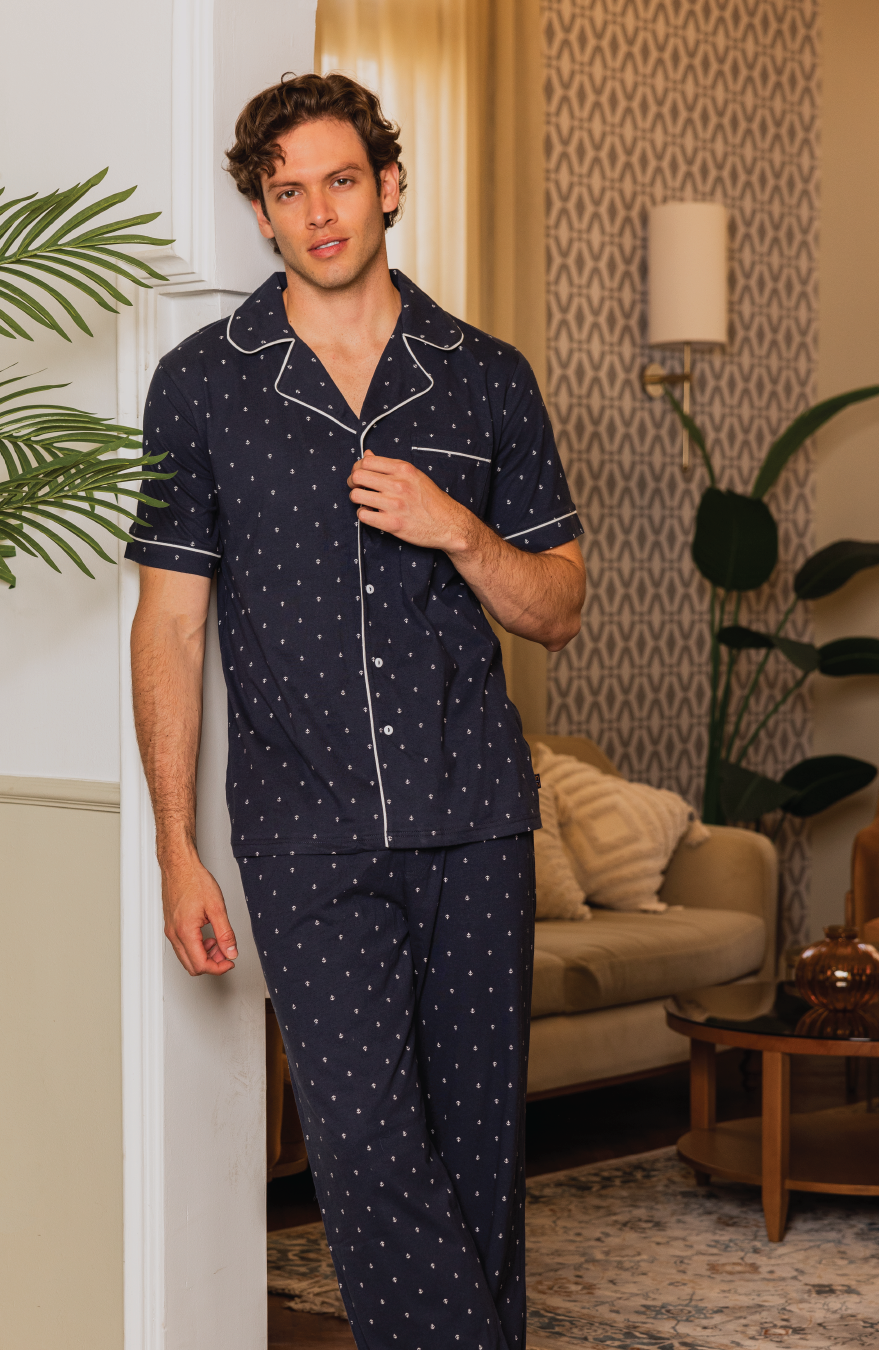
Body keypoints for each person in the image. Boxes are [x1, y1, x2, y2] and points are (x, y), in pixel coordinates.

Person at [128, 71, 584, 1350]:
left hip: (475, 819)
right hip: (304, 834)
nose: (319, 213)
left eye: (340, 181)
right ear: (261, 214)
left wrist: (458, 530)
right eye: (289, 193)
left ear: (387, 186)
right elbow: (168, 626)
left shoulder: (486, 378)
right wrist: (175, 848)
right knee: (370, 1150)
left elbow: (556, 608)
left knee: (478, 1160)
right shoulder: (200, 386)